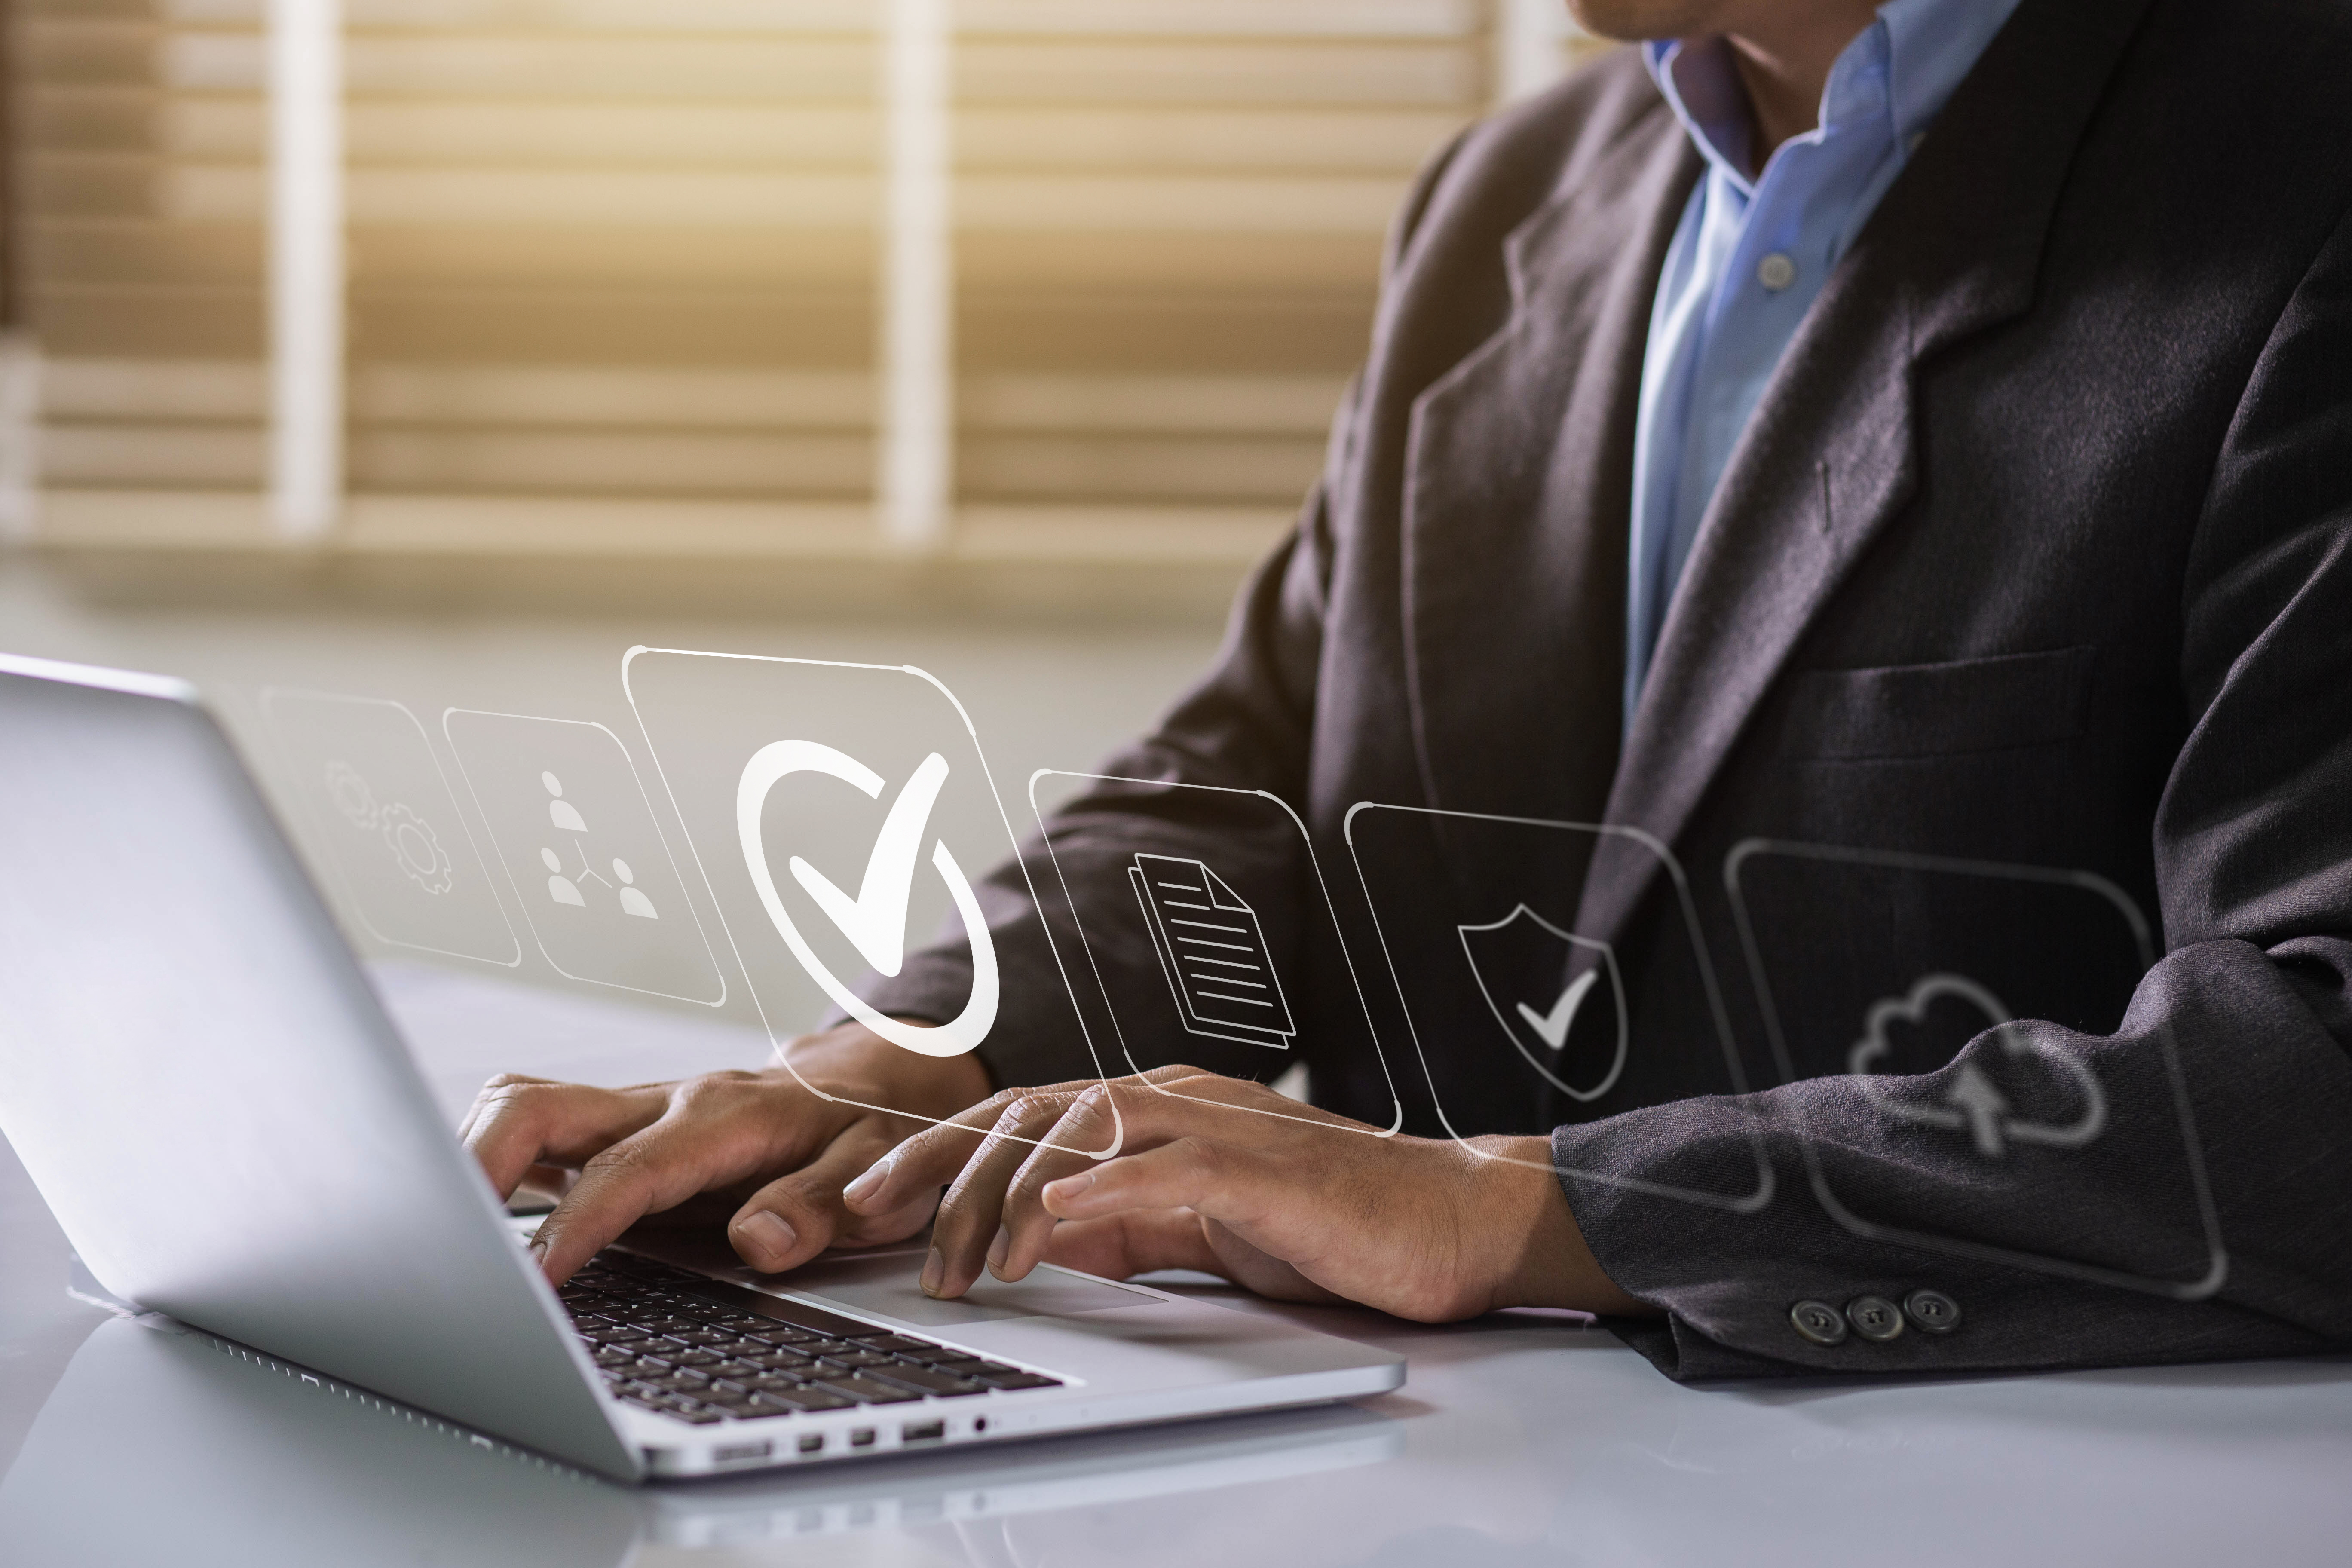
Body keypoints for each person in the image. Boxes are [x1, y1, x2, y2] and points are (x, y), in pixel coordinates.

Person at [463, 0, 2352, 1378]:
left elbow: (2315, 1065)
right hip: (1412, 1470)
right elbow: (1262, 784)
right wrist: (897, 1062)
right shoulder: (1513, 193)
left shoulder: (2294, 168)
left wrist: (1519, 1207)